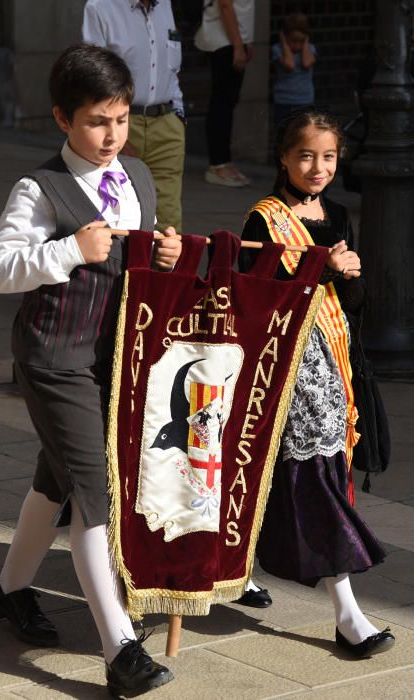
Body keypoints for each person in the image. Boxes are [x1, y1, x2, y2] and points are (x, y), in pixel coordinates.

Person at [0, 44, 181, 696]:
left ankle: (9, 590)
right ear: (63, 119)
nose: (111, 135)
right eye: (97, 121)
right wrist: (68, 248)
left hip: (113, 361)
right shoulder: (38, 189)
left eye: (119, 119)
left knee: (56, 482)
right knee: (95, 492)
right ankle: (119, 647)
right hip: (52, 359)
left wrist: (165, 256)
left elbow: (140, 272)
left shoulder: (139, 178)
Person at [239, 107, 395, 658]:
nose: (318, 166)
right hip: (282, 368)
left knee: (303, 476)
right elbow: (249, 296)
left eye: (328, 156)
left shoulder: (340, 213)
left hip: (332, 361)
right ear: (284, 157)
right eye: (306, 155)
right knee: (301, 476)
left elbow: (352, 305)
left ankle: (248, 568)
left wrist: (348, 277)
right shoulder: (264, 219)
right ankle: (347, 612)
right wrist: (315, 270)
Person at [82, 0, 185, 233]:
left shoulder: (165, 5)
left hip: (167, 121)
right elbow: (93, 78)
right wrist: (113, 130)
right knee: (116, 210)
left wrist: (178, 116)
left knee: (169, 218)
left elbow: (172, 68)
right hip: (121, 122)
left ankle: (166, 269)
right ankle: (124, 268)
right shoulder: (100, 7)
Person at [194, 0, 255, 187]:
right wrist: (238, 44)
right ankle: (218, 164)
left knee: (227, 102)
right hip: (224, 40)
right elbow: (226, 5)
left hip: (233, 39)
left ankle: (224, 162)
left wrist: (246, 41)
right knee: (222, 103)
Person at [271, 13, 316, 130]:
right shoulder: (278, 50)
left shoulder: (310, 49)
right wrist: (284, 43)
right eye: (293, 41)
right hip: (284, 101)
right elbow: (289, 65)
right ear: (285, 37)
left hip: (305, 101)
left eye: (301, 41)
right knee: (284, 135)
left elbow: (306, 63)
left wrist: (306, 43)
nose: (297, 45)